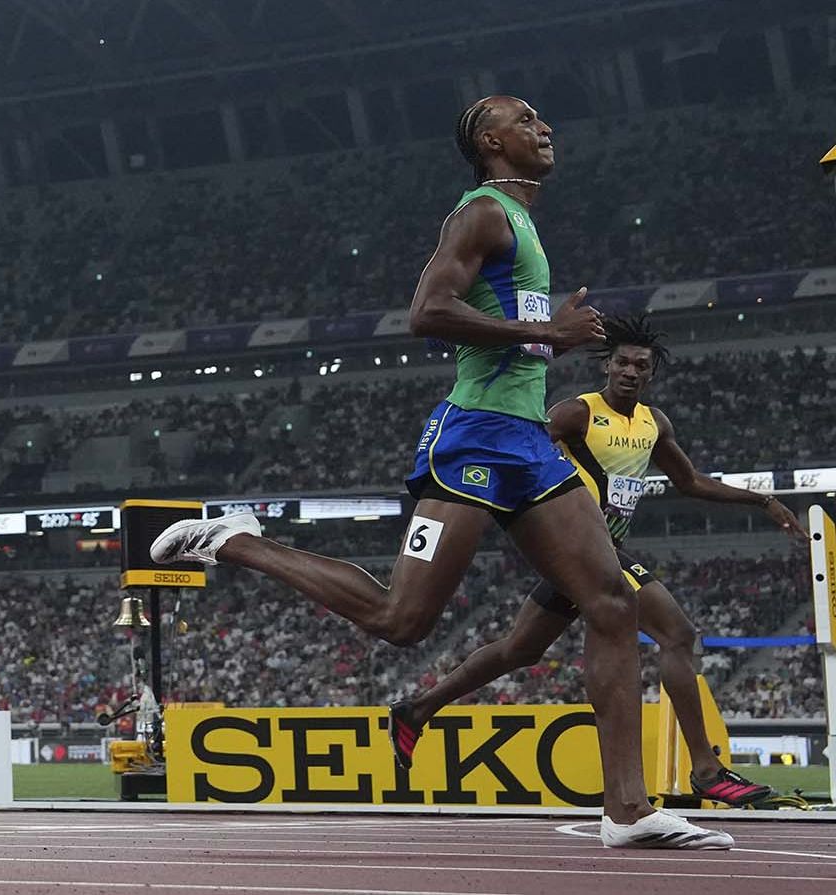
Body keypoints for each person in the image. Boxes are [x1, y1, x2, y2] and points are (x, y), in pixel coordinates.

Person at [151, 97, 730, 849]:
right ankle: (239, 542)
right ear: (491, 142)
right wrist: (545, 329)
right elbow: (427, 311)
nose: (544, 126)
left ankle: (625, 809)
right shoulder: (483, 213)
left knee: (613, 604)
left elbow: (507, 329)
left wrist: (546, 328)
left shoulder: (523, 223)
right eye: (524, 119)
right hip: (474, 439)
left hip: (527, 441)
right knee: (402, 621)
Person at [388, 315, 807, 805]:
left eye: (641, 366)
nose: (630, 371)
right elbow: (519, 453)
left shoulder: (655, 424)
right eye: (623, 362)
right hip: (583, 551)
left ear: (651, 374)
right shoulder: (575, 413)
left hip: (598, 560)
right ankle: (707, 769)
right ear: (607, 365)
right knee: (678, 634)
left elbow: (690, 482)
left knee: (520, 650)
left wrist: (760, 501)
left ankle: (416, 709)